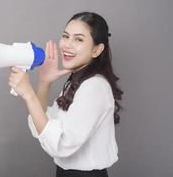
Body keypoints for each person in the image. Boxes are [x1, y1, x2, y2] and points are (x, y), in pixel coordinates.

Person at [8, 12, 123, 177]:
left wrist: (28, 94)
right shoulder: (75, 82)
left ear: (97, 49)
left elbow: (60, 144)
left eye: (79, 39)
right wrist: (44, 83)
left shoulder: (94, 86)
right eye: (65, 36)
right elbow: (41, 127)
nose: (67, 45)